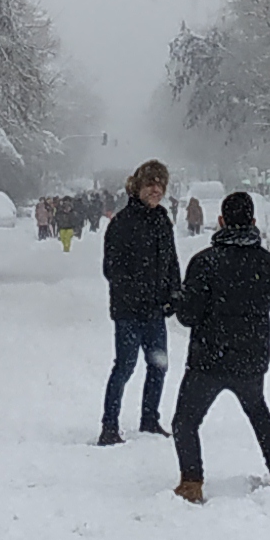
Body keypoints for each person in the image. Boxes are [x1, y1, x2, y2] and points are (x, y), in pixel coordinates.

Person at [171, 189, 270, 504]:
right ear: (252, 221)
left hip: (208, 358)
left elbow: (188, 315)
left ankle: (192, 482)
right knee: (258, 412)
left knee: (185, 422)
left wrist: (180, 301)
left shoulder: (204, 263)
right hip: (251, 356)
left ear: (221, 221)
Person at [96, 160, 181, 448]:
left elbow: (171, 262)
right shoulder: (122, 223)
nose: (156, 190)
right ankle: (109, 426)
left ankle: (149, 418)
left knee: (158, 366)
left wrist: (174, 294)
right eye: (151, 184)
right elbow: (111, 268)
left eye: (161, 185)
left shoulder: (163, 222)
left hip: (156, 311)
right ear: (139, 187)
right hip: (129, 311)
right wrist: (134, 291)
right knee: (125, 366)